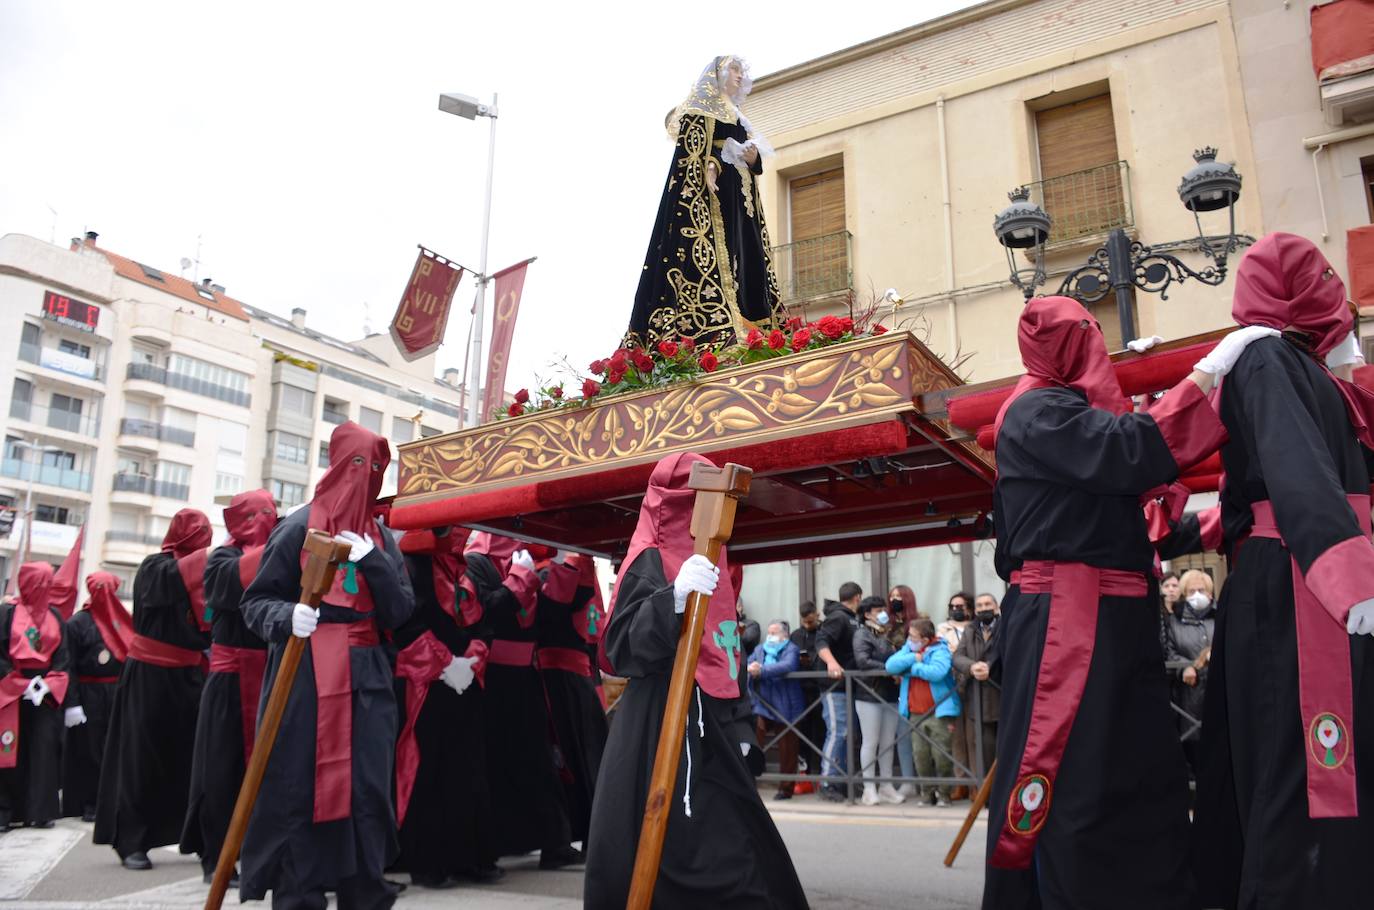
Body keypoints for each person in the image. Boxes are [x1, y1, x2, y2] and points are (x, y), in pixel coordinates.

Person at [983, 294, 1270, 909]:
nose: (1096, 345)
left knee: (1136, 770)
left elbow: (1122, 489)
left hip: (1108, 617)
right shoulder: (1035, 410)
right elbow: (1123, 451)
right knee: (1079, 777)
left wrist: (1148, 395)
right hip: (1071, 619)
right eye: (1088, 335)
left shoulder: (1059, 410)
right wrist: (1202, 375)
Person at [1192, 233, 1374, 909]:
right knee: (1303, 768)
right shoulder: (1267, 359)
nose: (1335, 287)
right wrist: (1344, 568)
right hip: (1306, 575)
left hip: (1319, 571)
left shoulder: (1314, 371)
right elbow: (1298, 470)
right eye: (1320, 275)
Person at [584, 452, 807, 908]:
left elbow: (728, 649)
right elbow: (619, 647)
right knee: (674, 855)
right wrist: (675, 597)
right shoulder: (650, 557)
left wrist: (742, 724)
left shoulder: (719, 557)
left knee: (741, 854)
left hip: (717, 728)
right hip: (662, 721)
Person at [238, 422, 415, 909]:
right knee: (301, 786)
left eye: (377, 467)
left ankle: (364, 890)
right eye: (358, 463)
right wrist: (285, 616)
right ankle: (300, 895)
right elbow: (255, 603)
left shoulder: (382, 537)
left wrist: (374, 562)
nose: (367, 475)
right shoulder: (297, 527)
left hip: (369, 679)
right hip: (305, 676)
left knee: (367, 789)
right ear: (338, 463)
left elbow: (401, 612)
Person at [626, 56, 784, 349]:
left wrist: (754, 159)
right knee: (720, 247)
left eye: (741, 71)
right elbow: (694, 152)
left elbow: (751, 156)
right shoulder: (702, 109)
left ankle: (748, 312)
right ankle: (722, 317)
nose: (738, 75)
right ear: (719, 75)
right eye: (733, 70)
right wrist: (710, 166)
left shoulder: (737, 115)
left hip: (742, 193)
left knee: (745, 248)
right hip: (718, 190)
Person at [95, 508, 212, 871]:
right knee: (140, 760)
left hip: (191, 675)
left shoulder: (207, 572)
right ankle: (132, 840)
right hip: (150, 675)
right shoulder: (154, 567)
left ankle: (195, 836)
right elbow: (171, 583)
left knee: (193, 759)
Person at [464, 531, 582, 869]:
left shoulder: (520, 560)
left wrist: (558, 572)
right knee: (492, 763)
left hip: (525, 678)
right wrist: (518, 582)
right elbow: (482, 614)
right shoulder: (477, 563)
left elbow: (547, 621)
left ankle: (553, 842)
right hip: (492, 680)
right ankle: (495, 845)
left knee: (538, 761)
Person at [393, 526, 499, 888]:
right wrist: (444, 664)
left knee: (468, 767)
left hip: (464, 683)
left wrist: (471, 660)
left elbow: (484, 624)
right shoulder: (410, 564)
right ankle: (429, 862)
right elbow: (404, 623)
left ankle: (469, 857)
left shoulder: (464, 569)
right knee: (429, 769)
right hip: (426, 684)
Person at [180, 489, 278, 884]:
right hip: (229, 678)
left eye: (271, 513)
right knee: (221, 767)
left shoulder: (280, 557)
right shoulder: (222, 558)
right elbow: (228, 590)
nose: (268, 520)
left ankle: (261, 852)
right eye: (259, 514)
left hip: (268, 675)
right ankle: (215, 856)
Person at [535, 552, 609, 858]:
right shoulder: (551, 574)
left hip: (575, 678)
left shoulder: (563, 573)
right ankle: (568, 838)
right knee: (572, 760)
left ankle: (589, 834)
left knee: (585, 759)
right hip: (560, 679)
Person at [0, 563, 77, 830]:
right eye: (39, 582)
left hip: (44, 695)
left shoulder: (55, 617)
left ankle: (40, 811)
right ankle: (5, 811)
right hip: (11, 693)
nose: (44, 588)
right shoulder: (7, 614)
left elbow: (63, 658)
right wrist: (19, 682)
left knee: (44, 751)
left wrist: (46, 684)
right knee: (9, 752)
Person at [61, 572, 128, 821]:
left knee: (113, 748)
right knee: (89, 749)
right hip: (88, 693)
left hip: (115, 690)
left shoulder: (121, 621)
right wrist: (73, 703)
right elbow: (69, 666)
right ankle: (89, 802)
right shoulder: (77, 623)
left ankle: (112, 800)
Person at [888, 618, 961, 807]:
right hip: (915, 712)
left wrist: (912, 669)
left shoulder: (941, 650)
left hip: (939, 711)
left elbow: (938, 672)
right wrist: (914, 658)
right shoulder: (910, 650)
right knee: (920, 756)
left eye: (913, 637)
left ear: (926, 639)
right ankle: (927, 794)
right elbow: (890, 666)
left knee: (941, 755)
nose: (909, 640)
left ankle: (944, 794)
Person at [851, 596, 903, 806]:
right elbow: (862, 661)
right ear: (867, 614)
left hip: (890, 693)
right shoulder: (862, 633)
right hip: (869, 692)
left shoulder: (887, 632)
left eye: (884, 608)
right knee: (870, 742)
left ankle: (886, 786)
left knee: (888, 742)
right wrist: (890, 669)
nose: (883, 612)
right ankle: (869, 788)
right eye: (878, 609)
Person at [1163, 570, 1213, 778]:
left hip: (1216, 688)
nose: (1197, 595)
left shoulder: (1220, 615)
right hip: (1188, 696)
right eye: (1191, 591)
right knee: (1193, 746)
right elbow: (1169, 650)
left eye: (1201, 590)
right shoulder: (1174, 621)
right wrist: (1185, 666)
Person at [815, 582, 862, 801]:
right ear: (858, 597)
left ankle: (841, 781)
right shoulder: (839, 617)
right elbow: (821, 641)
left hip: (848, 685)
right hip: (834, 686)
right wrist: (832, 664)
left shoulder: (853, 619)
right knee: (838, 731)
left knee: (846, 734)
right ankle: (827, 782)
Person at [747, 620, 803, 800]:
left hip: (786, 704)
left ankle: (786, 789)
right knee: (754, 739)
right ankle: (749, 782)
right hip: (762, 703)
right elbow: (749, 663)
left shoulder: (792, 649)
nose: (770, 636)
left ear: (784, 635)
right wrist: (751, 668)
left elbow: (788, 665)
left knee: (788, 747)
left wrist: (761, 670)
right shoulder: (759, 649)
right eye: (768, 632)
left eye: (774, 632)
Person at [952, 594, 1000, 783]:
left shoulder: (1006, 626)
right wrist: (972, 666)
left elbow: (1008, 652)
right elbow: (957, 656)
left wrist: (990, 666)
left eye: (988, 604)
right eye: (979, 605)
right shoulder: (970, 629)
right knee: (984, 750)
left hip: (1002, 696)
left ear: (996, 607)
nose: (983, 608)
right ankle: (988, 797)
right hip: (978, 700)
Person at [939, 592, 972, 798]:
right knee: (957, 736)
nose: (956, 609)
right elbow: (944, 652)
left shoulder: (975, 627)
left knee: (976, 735)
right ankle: (960, 782)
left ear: (969, 608)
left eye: (960, 606)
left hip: (976, 683)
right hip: (952, 685)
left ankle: (979, 782)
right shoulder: (943, 629)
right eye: (953, 606)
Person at [788, 601, 824, 780]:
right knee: (802, 732)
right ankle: (805, 773)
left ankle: (821, 771)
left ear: (817, 615)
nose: (807, 625)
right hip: (801, 688)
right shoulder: (796, 635)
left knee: (821, 731)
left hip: (820, 687)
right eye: (805, 622)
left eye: (810, 622)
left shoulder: (823, 632)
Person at [1158, 571, 1181, 655]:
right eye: (1166, 586)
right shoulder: (1157, 612)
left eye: (1175, 586)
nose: (1171, 589)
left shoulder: (1186, 611)